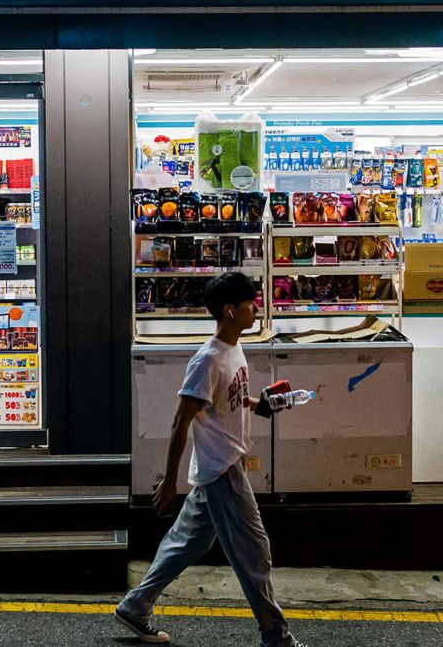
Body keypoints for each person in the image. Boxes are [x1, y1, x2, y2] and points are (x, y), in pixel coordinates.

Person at [114, 273, 306, 647]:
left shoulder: (234, 348)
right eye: (250, 303)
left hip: (220, 465)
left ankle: (135, 607)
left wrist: (262, 404)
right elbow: (180, 420)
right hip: (222, 469)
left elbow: (226, 401)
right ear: (230, 311)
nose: (256, 309)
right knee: (255, 555)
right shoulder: (207, 359)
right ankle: (276, 637)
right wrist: (170, 482)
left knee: (186, 544)